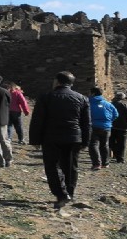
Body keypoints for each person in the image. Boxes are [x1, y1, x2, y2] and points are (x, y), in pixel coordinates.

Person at [29, 71, 90, 209]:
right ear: (71, 83)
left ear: (56, 81)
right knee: (71, 166)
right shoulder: (82, 98)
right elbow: (87, 123)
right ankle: (70, 193)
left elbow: (38, 120)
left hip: (51, 136)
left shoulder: (46, 97)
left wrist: (35, 140)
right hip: (74, 137)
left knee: (52, 166)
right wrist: (86, 141)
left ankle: (61, 194)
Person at [88, 87, 118, 170]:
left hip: (93, 126)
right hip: (106, 127)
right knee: (104, 145)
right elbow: (116, 114)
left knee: (93, 145)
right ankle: (105, 163)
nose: (89, 94)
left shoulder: (89, 103)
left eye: (90, 92)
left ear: (93, 93)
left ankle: (97, 164)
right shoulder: (108, 104)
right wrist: (109, 121)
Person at [109, 92, 127, 163]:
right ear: (123, 98)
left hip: (111, 126)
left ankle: (116, 155)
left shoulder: (110, 104)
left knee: (111, 142)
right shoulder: (126, 106)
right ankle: (120, 158)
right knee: (121, 144)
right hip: (123, 127)